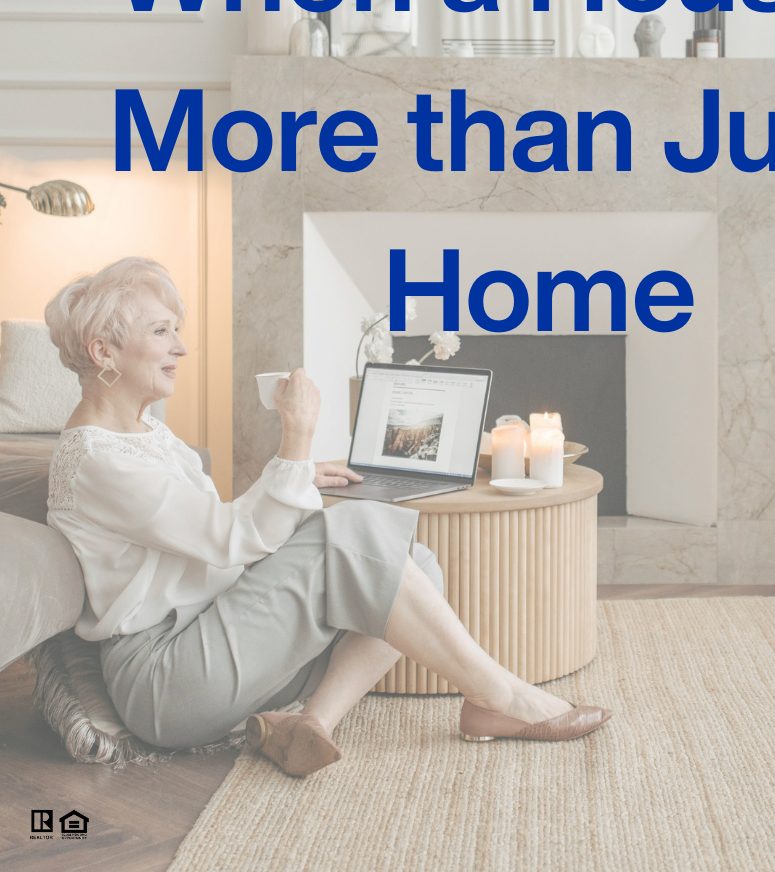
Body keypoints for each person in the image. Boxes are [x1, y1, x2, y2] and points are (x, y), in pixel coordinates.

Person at [44, 257, 611, 777]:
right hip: (167, 678)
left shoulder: (144, 435)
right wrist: (295, 438)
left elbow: (205, 534)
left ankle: (310, 724)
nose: (180, 348)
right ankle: (500, 697)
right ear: (104, 352)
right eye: (161, 331)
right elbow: (228, 540)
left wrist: (294, 475)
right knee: (360, 529)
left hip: (207, 639)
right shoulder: (98, 459)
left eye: (176, 330)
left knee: (412, 561)